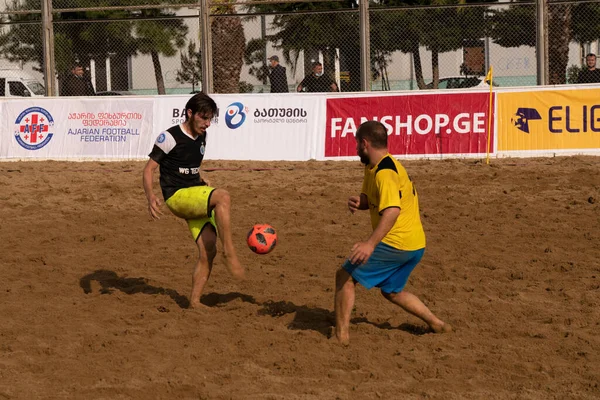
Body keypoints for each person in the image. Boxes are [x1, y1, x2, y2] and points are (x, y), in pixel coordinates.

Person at [334, 120, 451, 345]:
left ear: (365, 143)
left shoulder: (384, 173)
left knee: (345, 276)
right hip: (415, 244)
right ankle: (437, 324)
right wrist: (362, 202)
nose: (356, 148)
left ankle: (341, 337)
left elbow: (392, 210)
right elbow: (377, 200)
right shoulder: (377, 166)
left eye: (357, 144)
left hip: (397, 243)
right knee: (391, 291)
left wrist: (370, 244)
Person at [142, 92, 245, 309]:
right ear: (190, 113)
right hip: (177, 197)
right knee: (223, 196)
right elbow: (149, 170)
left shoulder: (202, 135)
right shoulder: (169, 137)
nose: (207, 124)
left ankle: (195, 301)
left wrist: (200, 178)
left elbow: (187, 166)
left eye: (210, 120)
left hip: (194, 194)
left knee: (208, 249)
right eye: (203, 118)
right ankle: (230, 252)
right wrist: (151, 196)